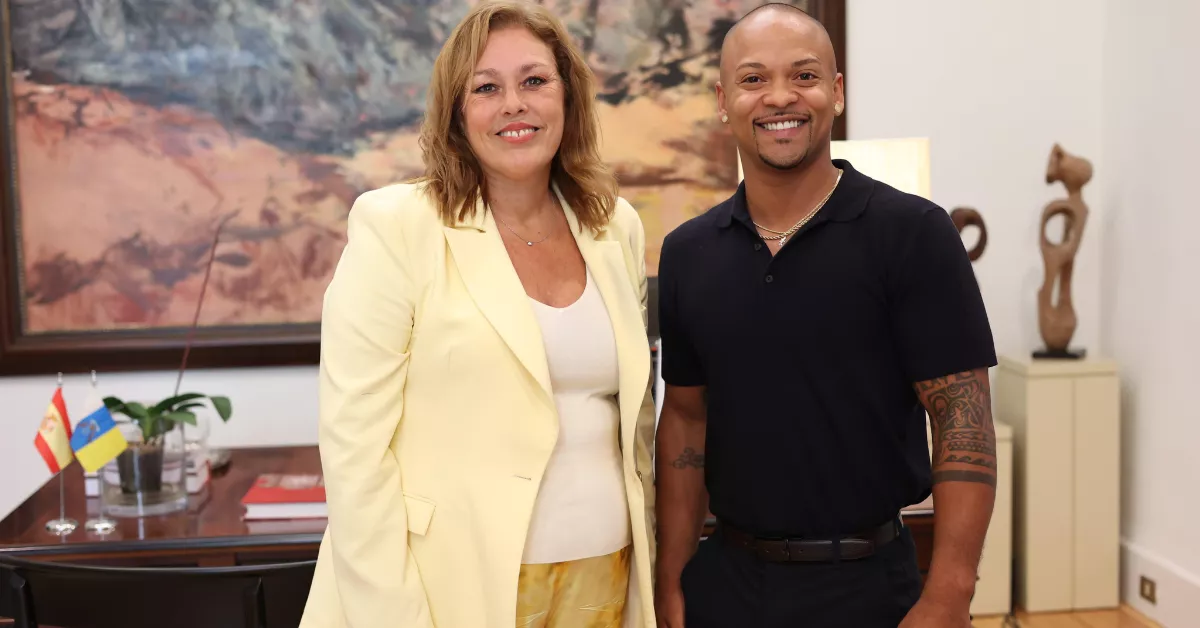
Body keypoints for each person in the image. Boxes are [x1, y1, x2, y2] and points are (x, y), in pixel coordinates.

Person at [299, 2, 658, 626]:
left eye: (534, 81)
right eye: (486, 88)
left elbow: (636, 425)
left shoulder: (613, 227)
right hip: (449, 586)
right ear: (457, 114)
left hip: (606, 574)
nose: (514, 103)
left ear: (567, 98)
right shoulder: (398, 226)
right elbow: (355, 452)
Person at [653, 4, 998, 627]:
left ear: (836, 93)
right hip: (725, 584)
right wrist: (670, 580)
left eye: (805, 76)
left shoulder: (914, 233)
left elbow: (962, 417)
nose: (780, 97)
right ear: (723, 99)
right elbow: (684, 421)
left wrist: (950, 594)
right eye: (753, 79)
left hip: (870, 587)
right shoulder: (687, 253)